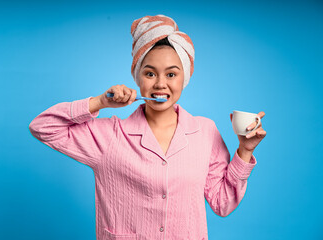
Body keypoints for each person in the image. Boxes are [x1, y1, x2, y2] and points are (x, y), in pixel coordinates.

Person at [29, 14, 266, 240]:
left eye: (171, 74)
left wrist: (245, 151)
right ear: (137, 77)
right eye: (150, 73)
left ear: (184, 78)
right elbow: (42, 126)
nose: (160, 84)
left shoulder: (205, 132)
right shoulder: (110, 135)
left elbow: (222, 203)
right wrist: (100, 102)